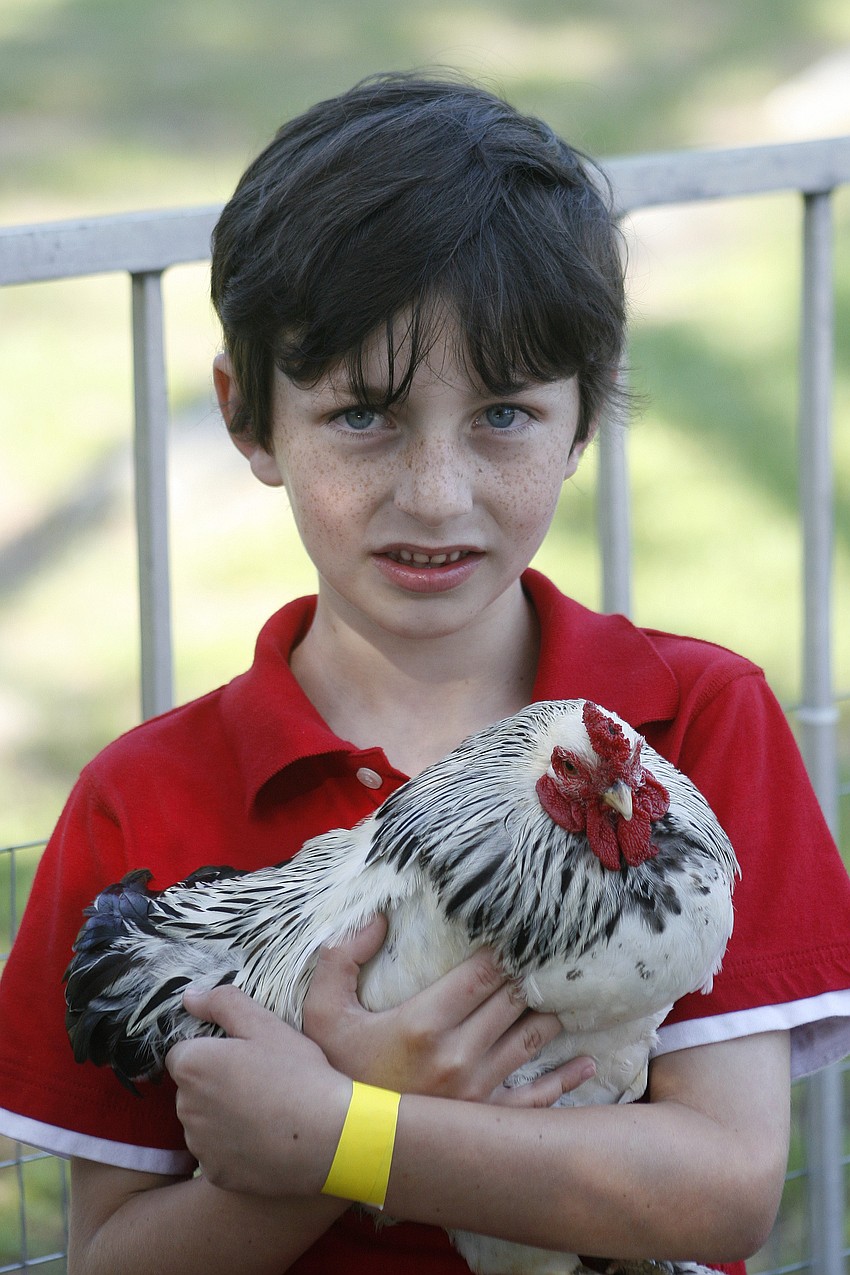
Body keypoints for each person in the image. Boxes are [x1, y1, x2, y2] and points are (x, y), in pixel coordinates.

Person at [1, 72, 849, 1275]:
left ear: (584, 417)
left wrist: (346, 1132)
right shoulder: (141, 800)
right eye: (364, 416)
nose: (436, 496)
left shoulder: (690, 727)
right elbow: (112, 1260)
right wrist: (341, 1131)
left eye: (502, 414)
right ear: (249, 419)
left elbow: (721, 1193)